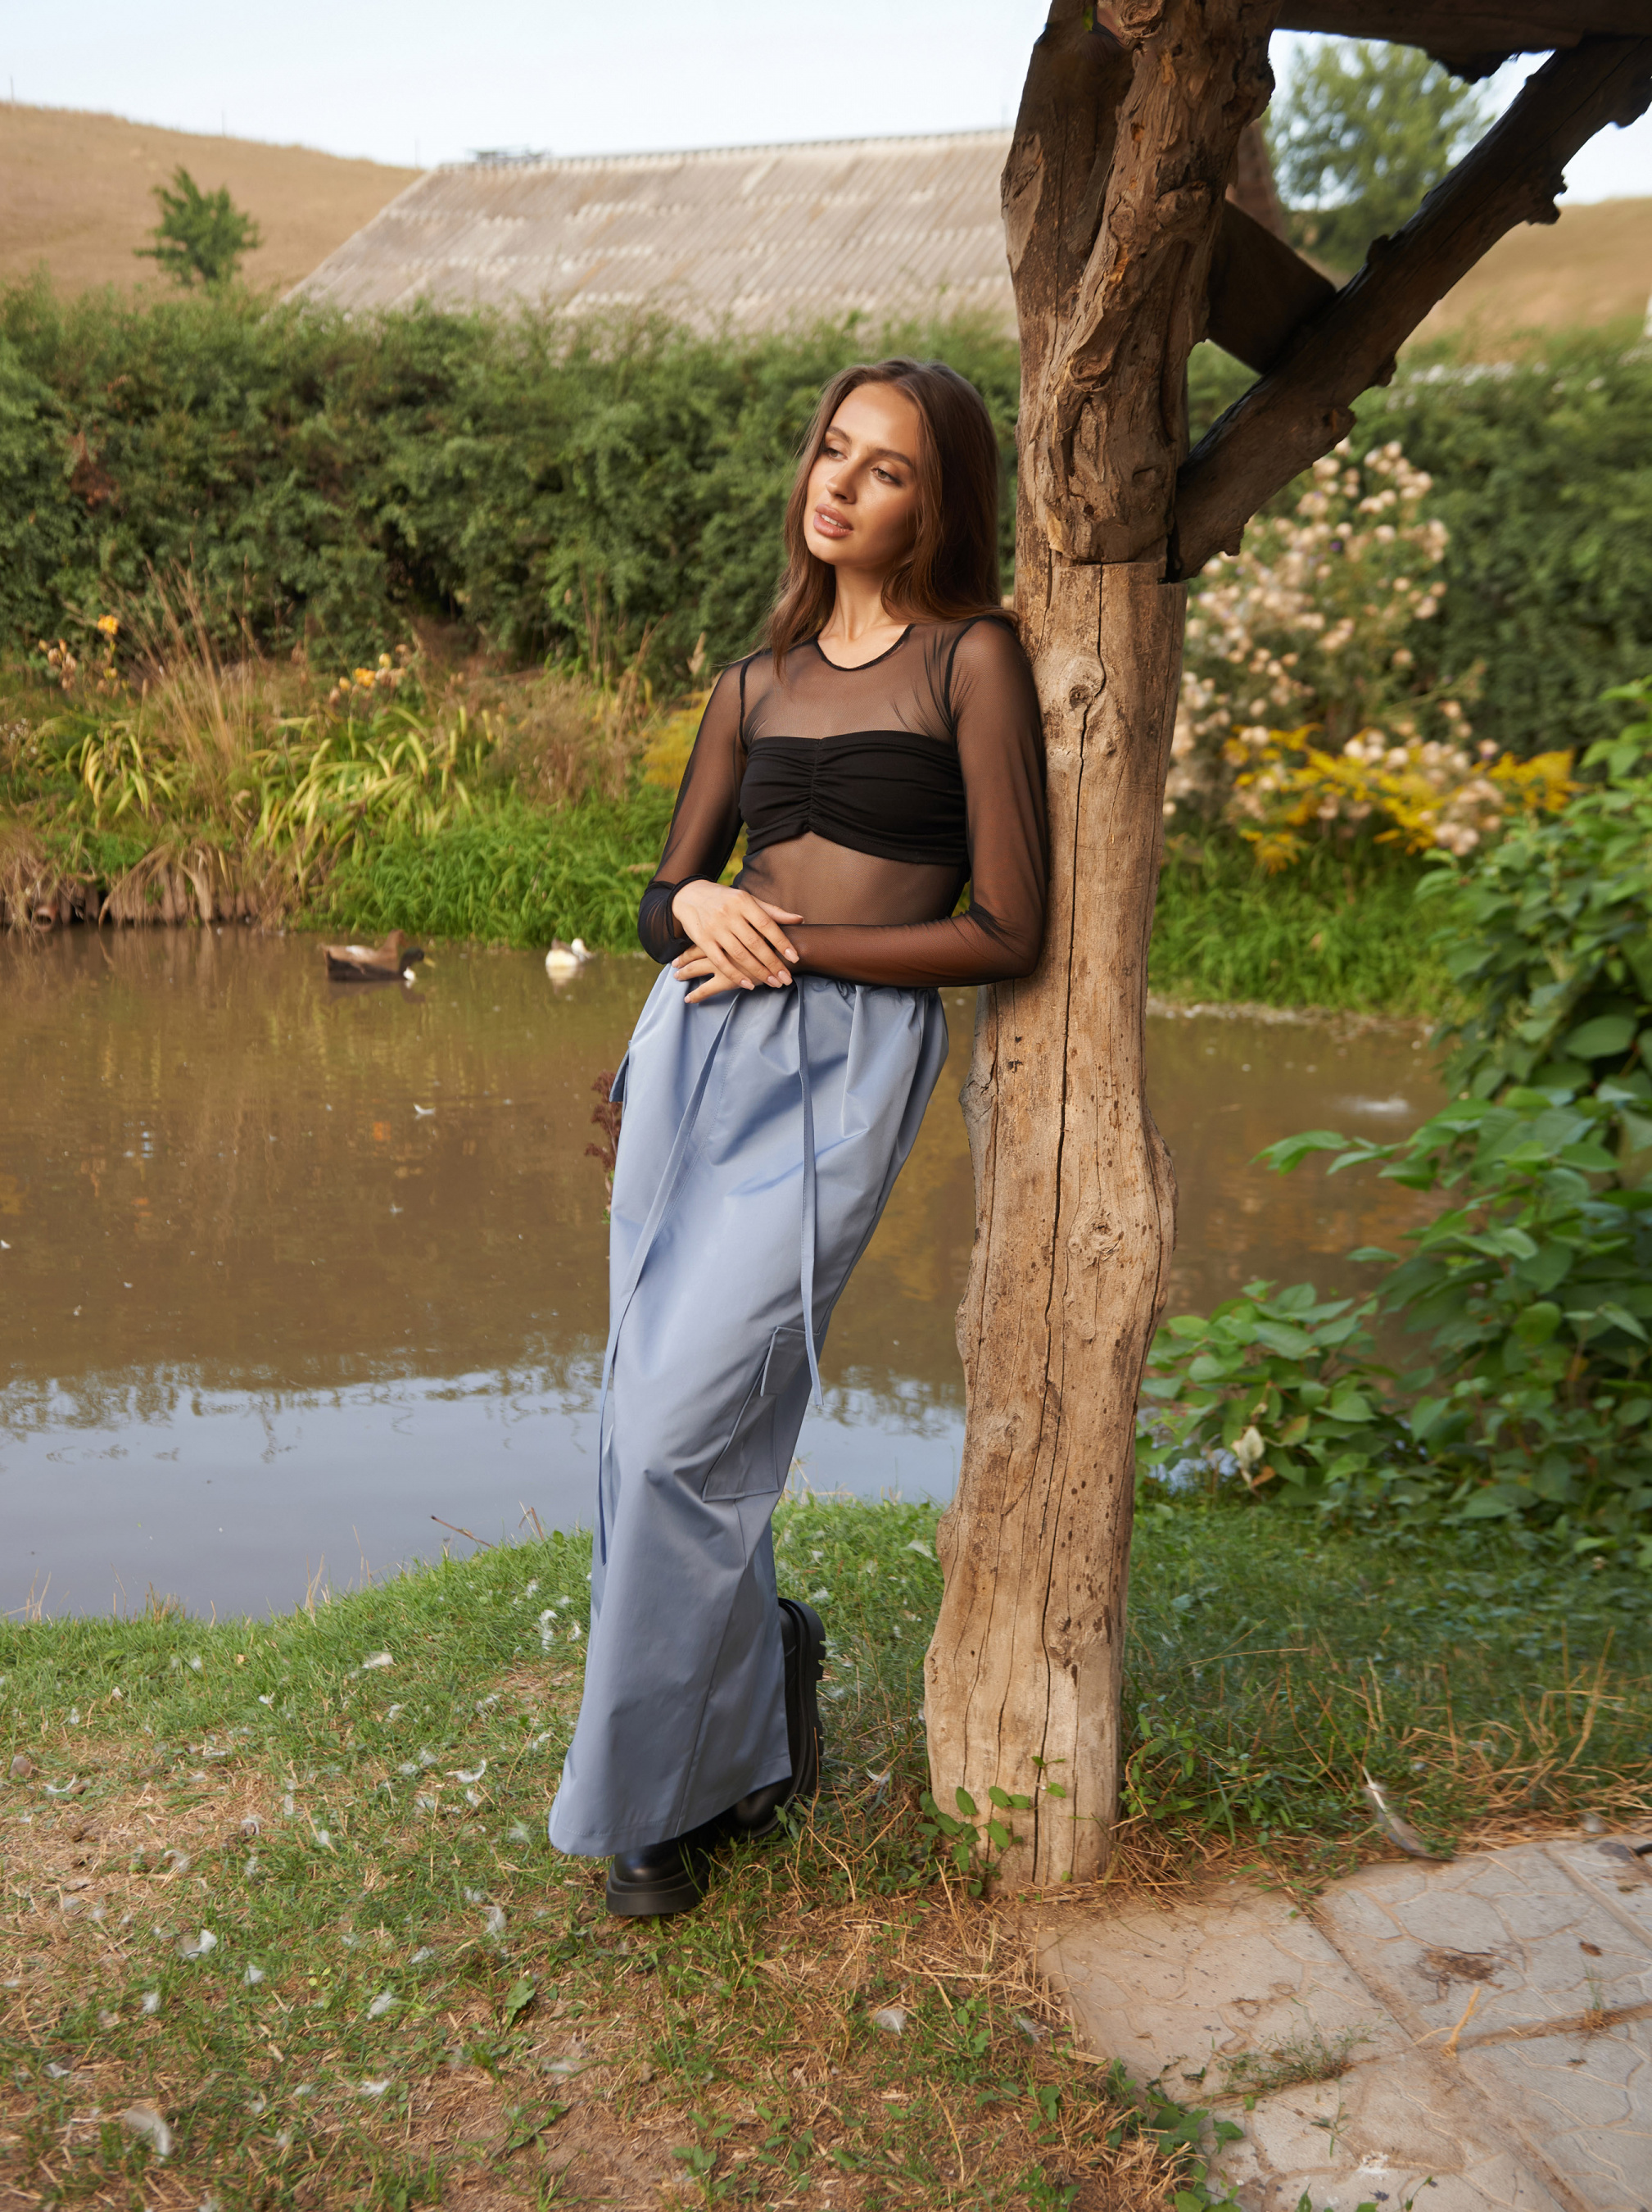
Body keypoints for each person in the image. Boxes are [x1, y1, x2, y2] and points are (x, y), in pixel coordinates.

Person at [547, 356, 1048, 1917]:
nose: (841, 483)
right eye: (834, 450)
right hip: (690, 1050)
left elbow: (1007, 929)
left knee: (693, 1415)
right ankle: (737, 1704)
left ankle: (672, 1772)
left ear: (937, 503)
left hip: (843, 1063)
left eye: (886, 468)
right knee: (643, 1418)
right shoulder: (752, 683)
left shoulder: (971, 658)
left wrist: (796, 945)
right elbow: (663, 900)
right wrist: (695, 906)